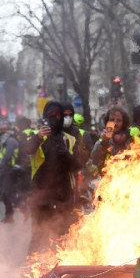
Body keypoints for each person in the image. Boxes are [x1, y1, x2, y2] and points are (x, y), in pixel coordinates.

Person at [25, 100, 82, 254]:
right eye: (50, 115)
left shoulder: (69, 139)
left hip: (63, 198)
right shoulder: (38, 137)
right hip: (41, 198)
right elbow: (27, 150)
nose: (54, 119)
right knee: (37, 238)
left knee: (63, 240)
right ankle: (30, 273)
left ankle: (62, 273)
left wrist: (67, 156)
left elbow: (78, 165)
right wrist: (38, 137)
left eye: (57, 115)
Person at [89, 107, 132, 172]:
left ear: (124, 123)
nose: (115, 123)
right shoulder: (103, 140)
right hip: (108, 179)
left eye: (119, 120)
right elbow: (94, 160)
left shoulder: (131, 139)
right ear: (107, 122)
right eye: (112, 120)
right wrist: (103, 143)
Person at [0, 124, 19, 224]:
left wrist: (1, 164)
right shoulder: (6, 140)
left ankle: (23, 208)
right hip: (6, 169)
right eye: (1, 130)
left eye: (4, 130)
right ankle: (9, 216)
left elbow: (7, 155)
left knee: (7, 193)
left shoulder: (10, 141)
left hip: (9, 169)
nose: (2, 132)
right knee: (5, 193)